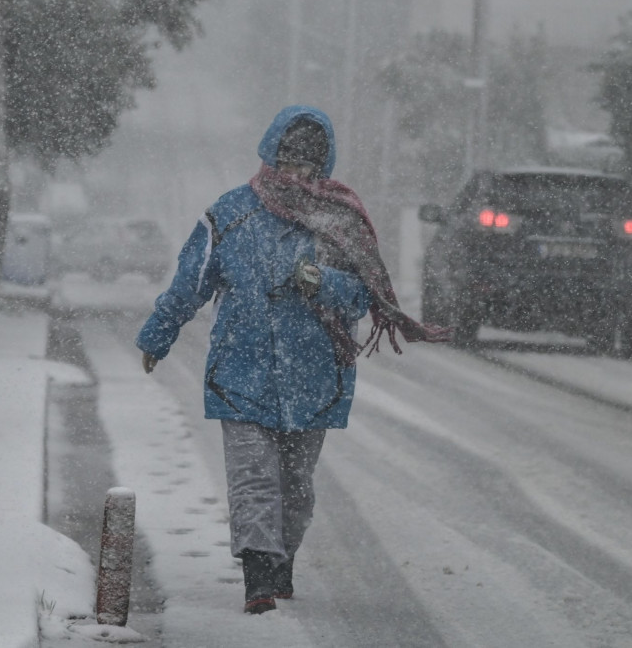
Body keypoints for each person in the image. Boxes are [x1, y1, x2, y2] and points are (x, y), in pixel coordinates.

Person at [135, 105, 450, 614]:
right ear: (270, 155)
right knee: (253, 479)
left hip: (314, 377)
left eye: (307, 163)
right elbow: (191, 281)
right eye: (288, 160)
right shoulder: (230, 214)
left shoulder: (340, 221)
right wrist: (159, 333)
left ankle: (281, 563)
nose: (296, 172)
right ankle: (259, 575)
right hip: (240, 372)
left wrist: (323, 282)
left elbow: (362, 297)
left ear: (323, 165)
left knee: (295, 488)